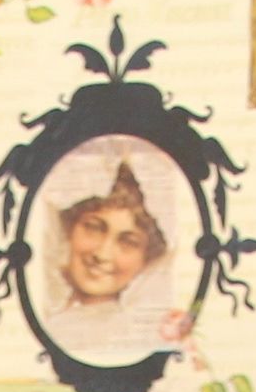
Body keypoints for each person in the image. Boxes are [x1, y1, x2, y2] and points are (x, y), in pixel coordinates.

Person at [43, 152, 175, 363]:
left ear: (148, 258)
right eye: (94, 228)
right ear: (71, 228)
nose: (102, 254)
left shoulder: (129, 336)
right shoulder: (45, 300)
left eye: (128, 242)